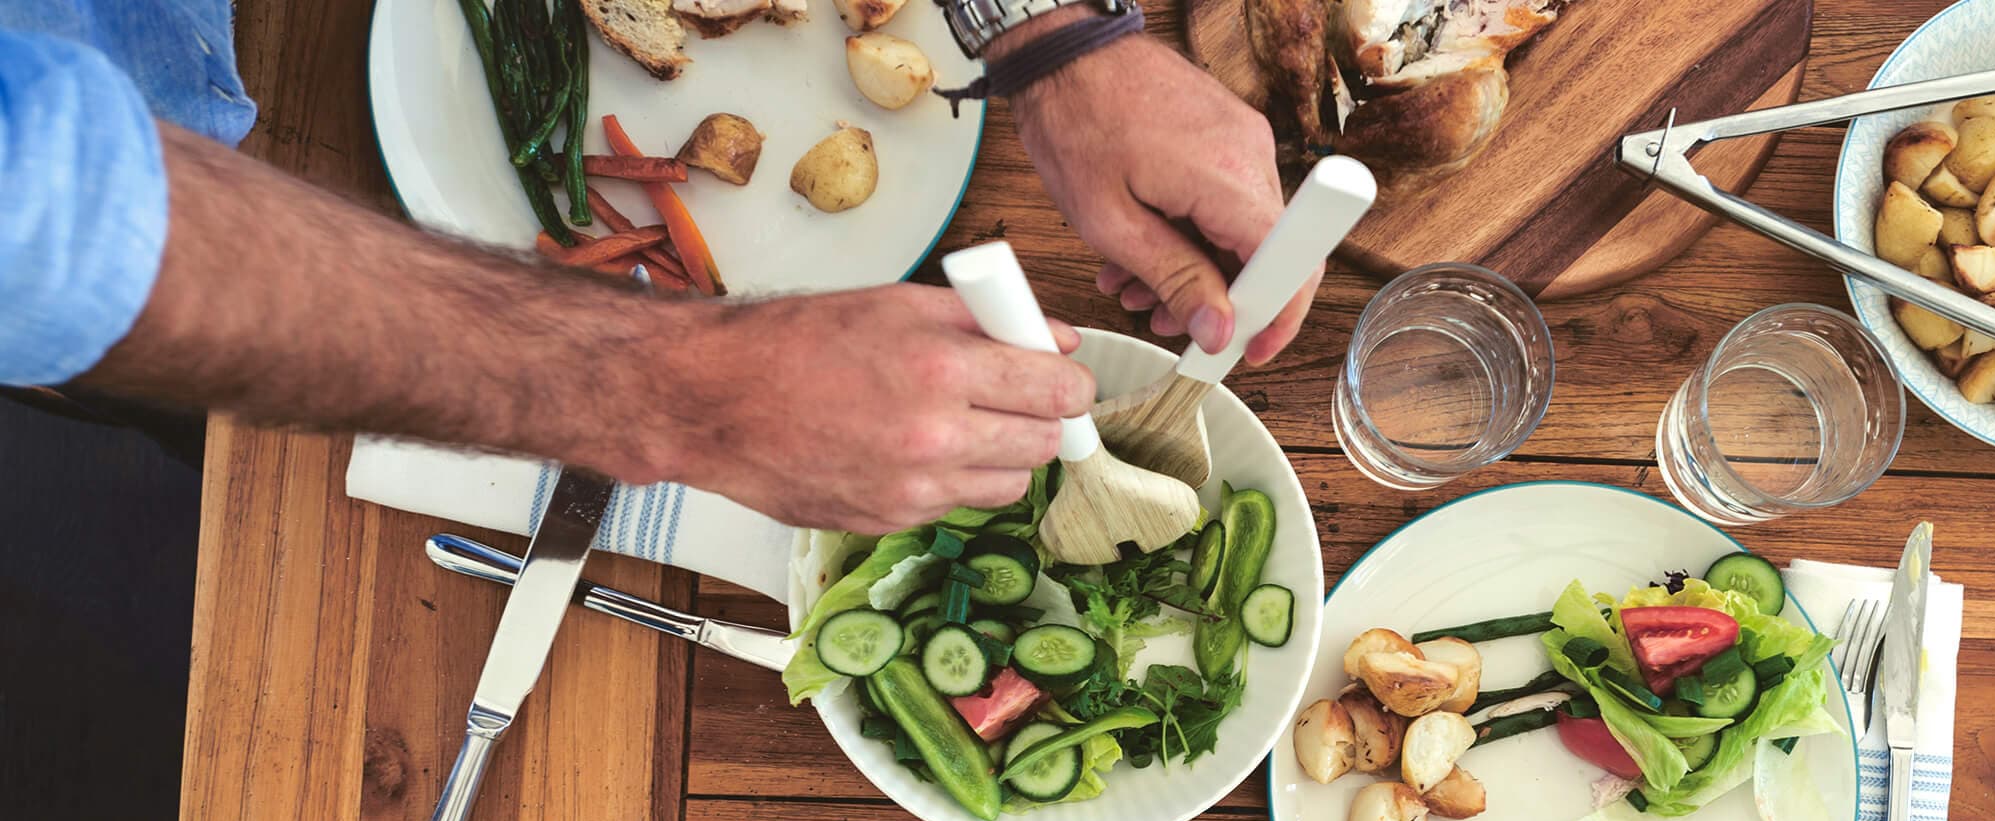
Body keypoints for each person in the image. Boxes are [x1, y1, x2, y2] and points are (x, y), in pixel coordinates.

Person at [0, 0, 1312, 534]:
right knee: (254, 491)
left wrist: (1041, 33)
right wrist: (682, 390)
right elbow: (59, 225)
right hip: (172, 224)